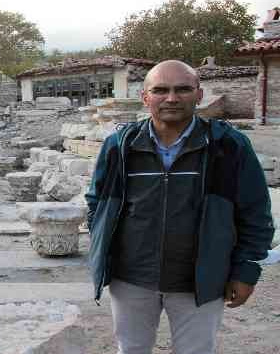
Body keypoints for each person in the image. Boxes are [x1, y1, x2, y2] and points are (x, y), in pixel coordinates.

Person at [85, 60, 274, 354]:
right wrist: (102, 247)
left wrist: (246, 270)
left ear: (199, 95)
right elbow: (97, 201)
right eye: (160, 90)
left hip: (200, 281)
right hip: (131, 278)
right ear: (145, 97)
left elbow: (255, 212)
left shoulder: (228, 146)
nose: (171, 98)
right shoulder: (120, 146)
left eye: (182, 89)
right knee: (131, 349)